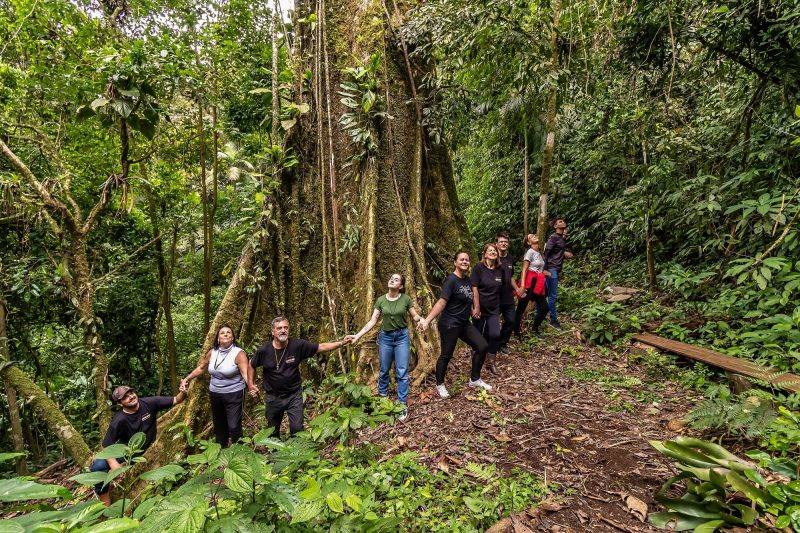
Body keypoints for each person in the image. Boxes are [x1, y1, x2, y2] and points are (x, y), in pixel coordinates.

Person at [247, 317, 351, 437]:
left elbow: (320, 347)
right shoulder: (264, 350)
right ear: (273, 332)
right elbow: (251, 364)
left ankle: (297, 452)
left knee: (297, 428)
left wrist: (341, 343)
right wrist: (251, 384)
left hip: (293, 395)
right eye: (279, 328)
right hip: (273, 397)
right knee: (272, 431)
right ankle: (275, 455)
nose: (283, 330)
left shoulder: (297, 345)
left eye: (285, 327)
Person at [90, 385, 187, 505]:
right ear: (120, 404)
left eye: (131, 393)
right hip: (127, 451)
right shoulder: (119, 420)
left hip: (148, 448)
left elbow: (176, 399)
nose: (131, 397)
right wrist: (114, 464)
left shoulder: (150, 403)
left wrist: (183, 391)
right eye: (125, 397)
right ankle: (105, 501)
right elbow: (106, 444)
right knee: (97, 467)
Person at [345, 273, 422, 422]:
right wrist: (357, 335)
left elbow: (414, 315)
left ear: (401, 286)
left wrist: (421, 319)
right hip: (385, 338)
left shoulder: (405, 299)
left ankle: (401, 405)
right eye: (391, 278)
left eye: (396, 279)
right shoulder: (381, 300)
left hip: (402, 337)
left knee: (401, 371)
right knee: (384, 370)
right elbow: (372, 321)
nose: (392, 280)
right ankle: (383, 401)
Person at [418, 251, 492, 398]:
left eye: (467, 259)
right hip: (449, 324)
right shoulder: (451, 280)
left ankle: (475, 379)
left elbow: (466, 299)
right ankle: (440, 384)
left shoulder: (467, 280)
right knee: (446, 354)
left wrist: (472, 312)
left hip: (464, 323)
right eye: (461, 259)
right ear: (455, 262)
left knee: (482, 346)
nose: (465, 261)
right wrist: (427, 320)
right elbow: (442, 302)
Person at [179, 325, 249, 447]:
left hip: (235, 393)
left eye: (229, 333)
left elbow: (245, 373)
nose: (226, 334)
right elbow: (201, 368)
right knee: (219, 425)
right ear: (218, 338)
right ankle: (221, 451)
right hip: (215, 393)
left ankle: (239, 450)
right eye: (222, 333)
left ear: (232, 338)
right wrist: (187, 379)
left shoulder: (239, 354)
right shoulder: (212, 353)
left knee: (233, 425)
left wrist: (252, 386)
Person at [470, 243, 506, 374]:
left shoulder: (500, 269)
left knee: (495, 334)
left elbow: (500, 288)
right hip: (480, 307)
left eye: (495, 250)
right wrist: (476, 307)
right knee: (477, 335)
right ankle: (475, 361)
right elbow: (474, 288)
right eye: (490, 250)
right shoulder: (478, 268)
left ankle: (491, 363)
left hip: (494, 308)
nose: (493, 252)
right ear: (485, 254)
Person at [513, 234, 550, 337]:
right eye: (531, 237)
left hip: (538, 284)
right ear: (528, 243)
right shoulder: (529, 252)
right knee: (521, 308)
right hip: (529, 283)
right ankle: (516, 332)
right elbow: (524, 270)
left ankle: (535, 329)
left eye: (534, 235)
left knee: (544, 308)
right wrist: (523, 286)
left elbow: (539, 268)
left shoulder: (540, 253)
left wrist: (544, 273)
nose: (534, 235)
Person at [496, 232, 525, 354]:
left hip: (508, 295)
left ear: (508, 244)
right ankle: (490, 343)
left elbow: (511, 276)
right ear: (496, 244)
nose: (503, 243)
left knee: (511, 320)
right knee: (492, 322)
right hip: (495, 296)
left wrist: (517, 289)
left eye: (505, 242)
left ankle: (502, 343)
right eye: (501, 241)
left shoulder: (509, 258)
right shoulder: (492, 257)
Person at [543, 218, 573, 329]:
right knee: (552, 295)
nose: (563, 222)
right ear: (555, 226)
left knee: (545, 293)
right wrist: (545, 269)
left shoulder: (561, 238)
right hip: (551, 269)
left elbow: (557, 251)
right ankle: (553, 320)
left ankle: (540, 314)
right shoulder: (553, 237)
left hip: (556, 268)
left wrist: (565, 254)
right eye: (559, 222)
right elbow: (546, 253)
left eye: (563, 221)